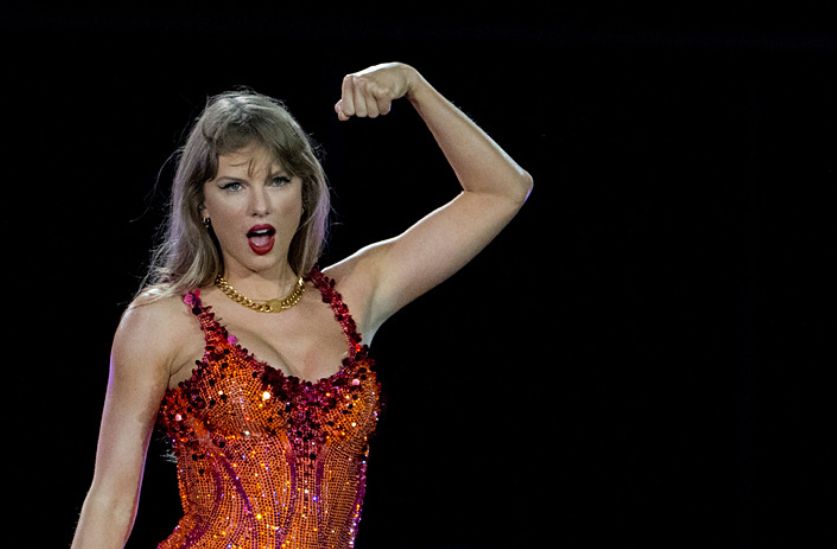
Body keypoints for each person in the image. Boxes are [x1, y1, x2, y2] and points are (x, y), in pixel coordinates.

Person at [70, 61, 533, 549]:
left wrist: (412, 83)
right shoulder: (164, 321)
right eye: (233, 186)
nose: (260, 205)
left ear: (305, 191)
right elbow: (111, 502)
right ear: (201, 205)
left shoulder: (353, 294)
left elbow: (502, 191)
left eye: (278, 180)